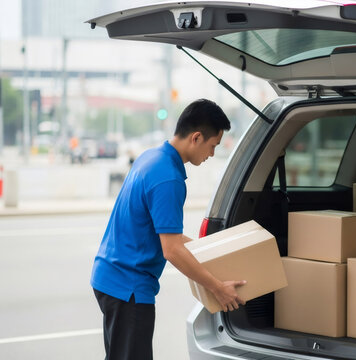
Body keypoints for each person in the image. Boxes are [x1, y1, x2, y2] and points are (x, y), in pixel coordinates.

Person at [90, 99, 246, 360]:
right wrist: (217, 287)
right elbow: (171, 250)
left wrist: (208, 252)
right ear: (196, 138)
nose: (211, 155)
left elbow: (168, 236)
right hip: (129, 288)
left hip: (110, 277)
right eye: (212, 146)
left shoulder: (151, 157)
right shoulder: (168, 179)